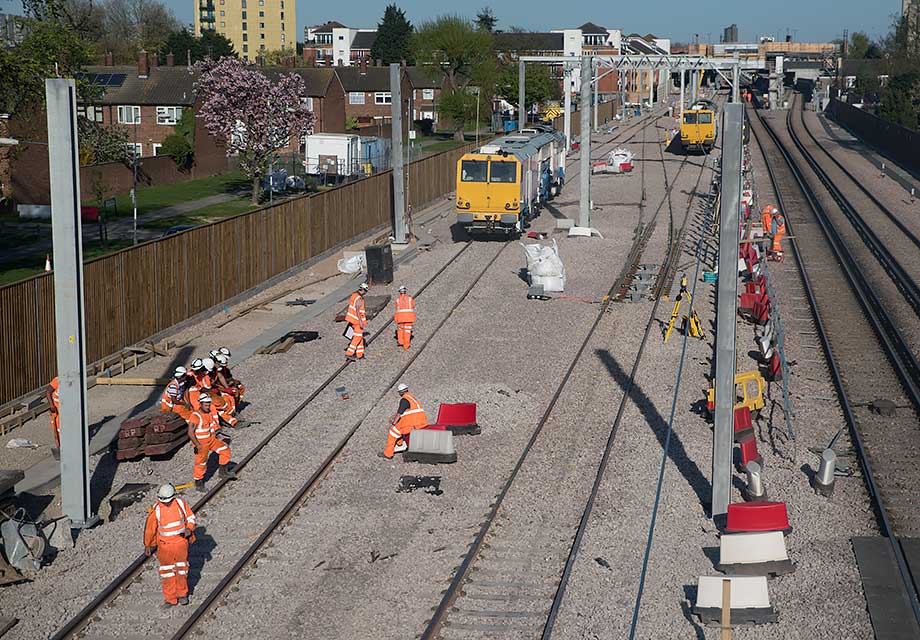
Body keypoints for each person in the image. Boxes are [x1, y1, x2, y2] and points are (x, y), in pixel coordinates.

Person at [143, 483, 196, 608]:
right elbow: (150, 529)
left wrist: (189, 528)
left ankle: (182, 595)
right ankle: (170, 598)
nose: (166, 503)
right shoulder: (156, 509)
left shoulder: (180, 504)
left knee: (182, 570)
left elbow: (191, 518)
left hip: (180, 544)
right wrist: (148, 545)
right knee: (167, 572)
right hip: (165, 546)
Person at [187, 393, 236, 492]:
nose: (208, 406)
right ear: (200, 404)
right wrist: (197, 445)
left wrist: (216, 434)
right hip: (202, 443)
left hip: (211, 440)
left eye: (209, 404)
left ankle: (223, 472)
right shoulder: (196, 416)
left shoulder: (208, 413)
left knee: (224, 449)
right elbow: (190, 432)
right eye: (206, 405)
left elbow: (211, 427)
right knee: (201, 463)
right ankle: (199, 483)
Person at [381, 383, 428, 459]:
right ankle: (400, 444)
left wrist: (393, 424)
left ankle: (388, 454)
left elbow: (400, 413)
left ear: (400, 392)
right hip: (422, 423)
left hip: (414, 425)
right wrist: (394, 416)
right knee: (400, 429)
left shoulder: (404, 400)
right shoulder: (413, 399)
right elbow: (407, 412)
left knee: (393, 432)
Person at [344, 282, 369, 362]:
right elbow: (358, 310)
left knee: (360, 337)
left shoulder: (354, 295)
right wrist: (361, 321)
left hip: (353, 319)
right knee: (357, 337)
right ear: (364, 290)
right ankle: (349, 353)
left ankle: (359, 354)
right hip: (357, 321)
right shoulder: (359, 298)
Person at [394, 285, 416, 350]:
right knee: (407, 331)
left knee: (400, 330)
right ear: (405, 291)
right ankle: (406, 345)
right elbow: (413, 305)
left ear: (400, 292)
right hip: (409, 317)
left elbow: (396, 308)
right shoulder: (410, 299)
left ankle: (400, 341)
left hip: (400, 318)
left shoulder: (397, 300)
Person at [45, 377, 60, 459]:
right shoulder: (57, 381)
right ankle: (60, 447)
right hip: (57, 410)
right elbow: (48, 392)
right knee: (57, 428)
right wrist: (52, 406)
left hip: (64, 409)